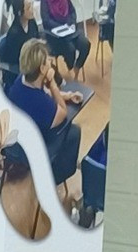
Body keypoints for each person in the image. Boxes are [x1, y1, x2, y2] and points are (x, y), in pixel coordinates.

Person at [7, 38, 84, 188]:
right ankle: (53, 178)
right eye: (47, 60)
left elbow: (45, 92)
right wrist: (53, 82)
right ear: (42, 69)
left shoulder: (21, 80)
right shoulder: (41, 103)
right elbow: (62, 112)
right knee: (73, 131)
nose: (50, 61)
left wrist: (67, 95)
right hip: (29, 151)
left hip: (13, 143)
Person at [42, 0, 88, 73]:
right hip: (56, 36)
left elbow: (72, 10)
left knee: (85, 44)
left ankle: (77, 67)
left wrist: (71, 23)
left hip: (70, 30)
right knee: (70, 50)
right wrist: (62, 27)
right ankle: (70, 68)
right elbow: (46, 21)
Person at [0, 0, 36, 83]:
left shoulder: (32, 23)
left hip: (32, 61)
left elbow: (37, 41)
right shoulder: (14, 34)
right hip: (19, 68)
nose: (32, 9)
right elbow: (16, 59)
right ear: (20, 12)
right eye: (29, 7)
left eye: (32, 5)